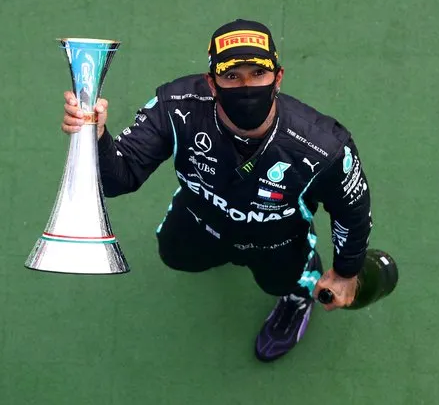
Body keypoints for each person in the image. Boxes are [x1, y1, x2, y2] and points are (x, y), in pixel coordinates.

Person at [61, 19, 398, 362]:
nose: (246, 86)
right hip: (199, 220)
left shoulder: (324, 146)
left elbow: (352, 213)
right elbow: (119, 178)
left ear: (277, 78)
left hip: (278, 240)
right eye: (232, 76)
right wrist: (95, 136)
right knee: (176, 257)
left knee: (281, 284)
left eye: (258, 74)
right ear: (212, 82)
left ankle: (297, 295)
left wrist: (345, 271)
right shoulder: (175, 108)